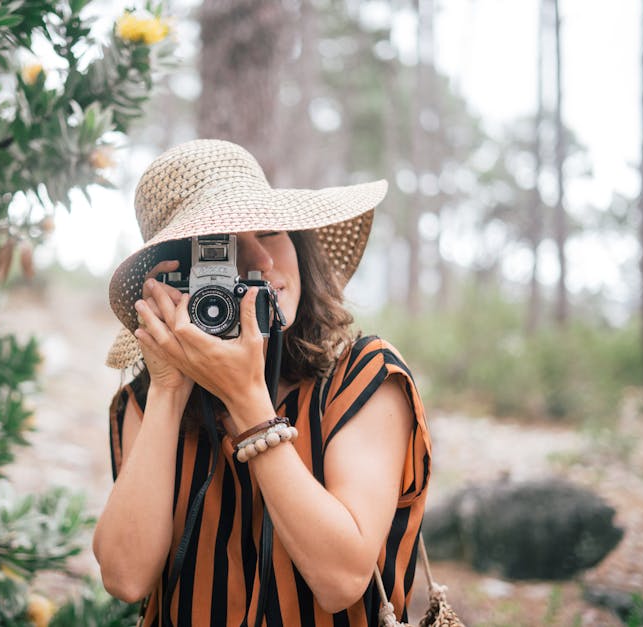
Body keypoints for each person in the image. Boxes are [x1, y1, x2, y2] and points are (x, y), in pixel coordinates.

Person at [93, 139, 432, 627]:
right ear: (179, 276)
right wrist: (169, 391)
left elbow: (340, 580)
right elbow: (125, 578)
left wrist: (247, 401)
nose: (262, 262)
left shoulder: (364, 378)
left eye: (272, 233)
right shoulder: (145, 401)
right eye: (225, 245)